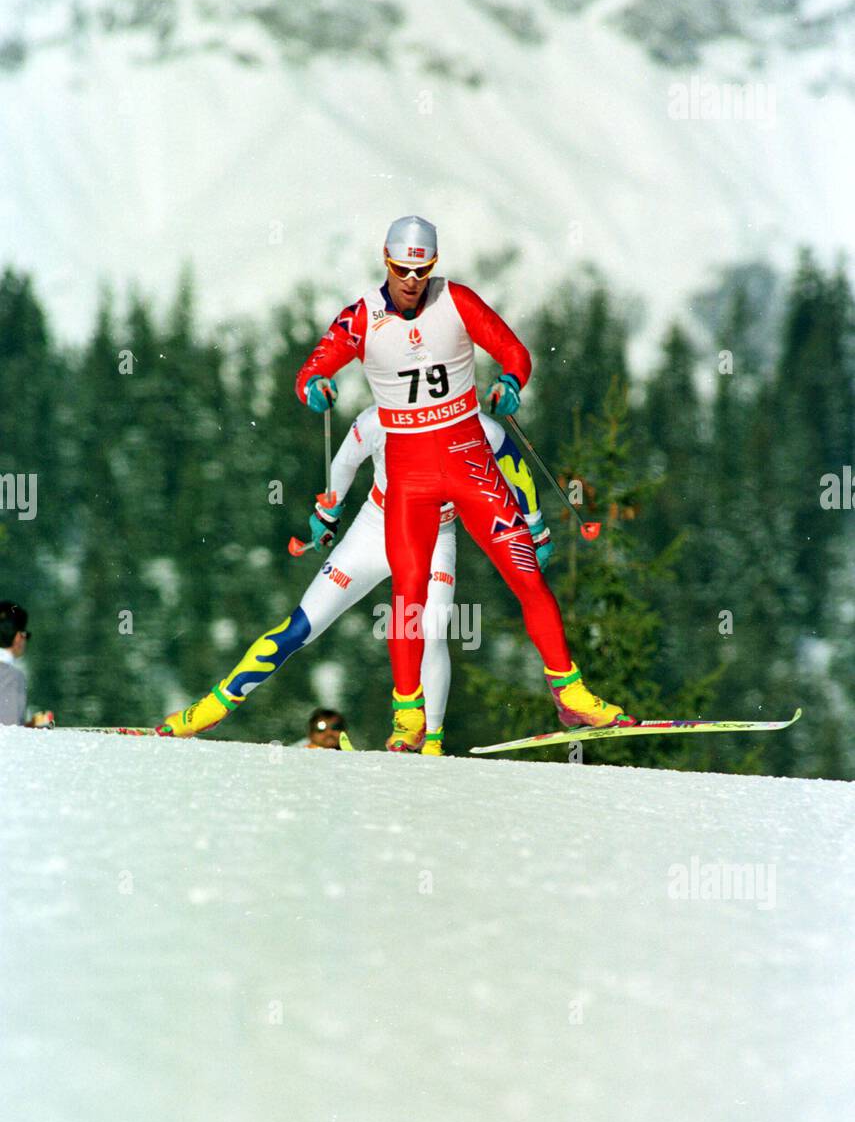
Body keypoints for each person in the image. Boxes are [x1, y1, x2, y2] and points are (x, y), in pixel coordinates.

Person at [295, 215, 632, 751]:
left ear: (433, 265)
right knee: (409, 599)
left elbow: (515, 353)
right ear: (387, 262)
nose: (411, 280)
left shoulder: (457, 300)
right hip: (410, 483)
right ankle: (408, 718)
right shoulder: (360, 317)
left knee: (528, 580)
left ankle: (571, 695)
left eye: (422, 269)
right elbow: (314, 366)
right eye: (402, 269)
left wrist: (511, 383)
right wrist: (314, 384)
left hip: (472, 466)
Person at [156, 407, 548, 755]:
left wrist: (537, 530)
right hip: (375, 531)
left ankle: (430, 744)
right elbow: (343, 464)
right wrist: (327, 515)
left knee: (428, 632)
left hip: (435, 538)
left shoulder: (481, 428)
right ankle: (211, 708)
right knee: (301, 626)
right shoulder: (379, 418)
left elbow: (518, 472)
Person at [0, 601, 54, 728]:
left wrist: (29, 725)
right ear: (19, 637)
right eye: (26, 635)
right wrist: (35, 726)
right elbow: (9, 732)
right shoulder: (11, 676)